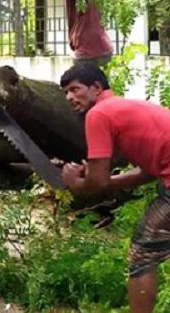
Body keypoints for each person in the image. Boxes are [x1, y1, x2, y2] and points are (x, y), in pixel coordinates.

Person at [60, 64, 170, 313]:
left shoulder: (98, 114)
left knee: (143, 255)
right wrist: (93, 179)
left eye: (75, 89)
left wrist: (77, 184)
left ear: (96, 88)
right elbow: (146, 173)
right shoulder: (122, 108)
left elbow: (97, 182)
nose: (69, 97)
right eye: (65, 92)